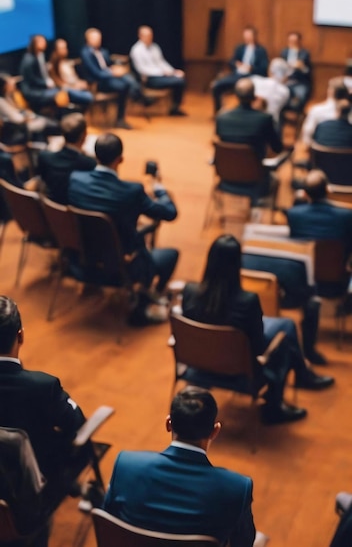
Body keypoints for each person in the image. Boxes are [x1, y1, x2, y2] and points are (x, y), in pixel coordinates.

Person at [182, 236, 334, 425]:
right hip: (240, 371)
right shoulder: (248, 301)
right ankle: (277, 403)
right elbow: (259, 348)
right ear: (238, 263)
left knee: (283, 327)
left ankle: (302, 375)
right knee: (284, 335)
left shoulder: (189, 291)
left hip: (199, 365)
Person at [103, 387, 256, 546]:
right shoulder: (237, 488)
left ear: (169, 423)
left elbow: (108, 523)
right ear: (214, 431)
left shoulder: (125, 466)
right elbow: (244, 543)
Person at [0, 295, 95, 537]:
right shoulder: (43, 387)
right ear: (20, 335)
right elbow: (77, 424)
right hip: (27, 497)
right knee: (79, 443)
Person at [68, 133, 179, 319]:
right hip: (121, 270)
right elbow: (169, 213)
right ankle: (145, 300)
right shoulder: (132, 191)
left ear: (95, 156)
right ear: (120, 159)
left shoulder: (76, 180)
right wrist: (159, 188)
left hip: (81, 263)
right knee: (171, 255)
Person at [81, 28, 136, 129]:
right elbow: (96, 73)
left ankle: (122, 117)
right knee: (123, 86)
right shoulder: (86, 53)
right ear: (88, 39)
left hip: (108, 78)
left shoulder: (103, 51)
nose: (98, 40)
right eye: (95, 38)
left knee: (128, 79)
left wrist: (115, 69)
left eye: (99, 38)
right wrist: (112, 73)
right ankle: (121, 118)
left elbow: (109, 64)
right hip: (97, 83)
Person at [37, 113, 96, 204]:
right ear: (84, 135)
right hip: (74, 212)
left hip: (50, 209)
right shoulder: (89, 164)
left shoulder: (44, 157)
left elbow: (43, 179)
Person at [287, 169, 352, 250]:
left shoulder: (293, 214)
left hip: (305, 260)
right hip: (335, 261)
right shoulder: (347, 216)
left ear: (304, 194)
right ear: (328, 189)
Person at [130, 25, 186, 116]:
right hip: (150, 79)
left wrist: (173, 71)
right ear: (140, 36)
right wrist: (161, 73)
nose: (149, 37)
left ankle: (175, 107)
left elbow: (161, 62)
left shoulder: (155, 47)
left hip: (161, 75)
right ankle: (172, 108)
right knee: (179, 82)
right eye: (147, 35)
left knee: (180, 78)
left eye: (151, 35)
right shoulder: (136, 50)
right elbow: (142, 69)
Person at [212, 26, 269, 113]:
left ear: (254, 36)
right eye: (245, 35)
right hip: (237, 75)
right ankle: (218, 111)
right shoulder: (240, 48)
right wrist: (236, 64)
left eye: (248, 35)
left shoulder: (261, 50)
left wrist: (251, 68)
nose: (246, 37)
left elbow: (264, 67)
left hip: (252, 76)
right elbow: (231, 61)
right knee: (217, 85)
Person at [0, 73, 60, 143]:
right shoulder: (1, 102)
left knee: (47, 120)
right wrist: (29, 117)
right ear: (4, 86)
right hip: (17, 130)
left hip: (22, 122)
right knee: (50, 124)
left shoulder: (8, 95)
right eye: (9, 83)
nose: (12, 84)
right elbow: (18, 119)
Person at [301, 78, 349, 147]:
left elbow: (307, 134)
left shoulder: (316, 110)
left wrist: (312, 147)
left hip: (320, 153)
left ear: (330, 92)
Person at [19, 35, 61, 110]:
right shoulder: (29, 60)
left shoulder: (40, 55)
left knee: (62, 91)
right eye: (41, 42)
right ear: (34, 43)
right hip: (32, 91)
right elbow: (32, 79)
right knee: (60, 94)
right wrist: (45, 84)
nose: (44, 43)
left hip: (41, 87)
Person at [49, 38, 94, 107]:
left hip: (76, 87)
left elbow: (74, 78)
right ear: (56, 50)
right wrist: (73, 86)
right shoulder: (53, 66)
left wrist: (79, 83)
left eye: (65, 48)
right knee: (89, 96)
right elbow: (59, 84)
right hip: (66, 91)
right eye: (62, 48)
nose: (65, 50)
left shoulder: (67, 63)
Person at [251, 57, 291, 127]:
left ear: (269, 71)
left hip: (251, 120)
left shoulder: (254, 80)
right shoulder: (285, 91)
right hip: (271, 124)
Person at [280, 31, 312, 112]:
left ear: (299, 42)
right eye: (291, 41)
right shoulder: (284, 52)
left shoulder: (304, 53)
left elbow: (308, 72)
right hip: (285, 81)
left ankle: (296, 115)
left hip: (299, 81)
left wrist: (302, 67)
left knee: (300, 97)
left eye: (295, 41)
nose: (292, 43)